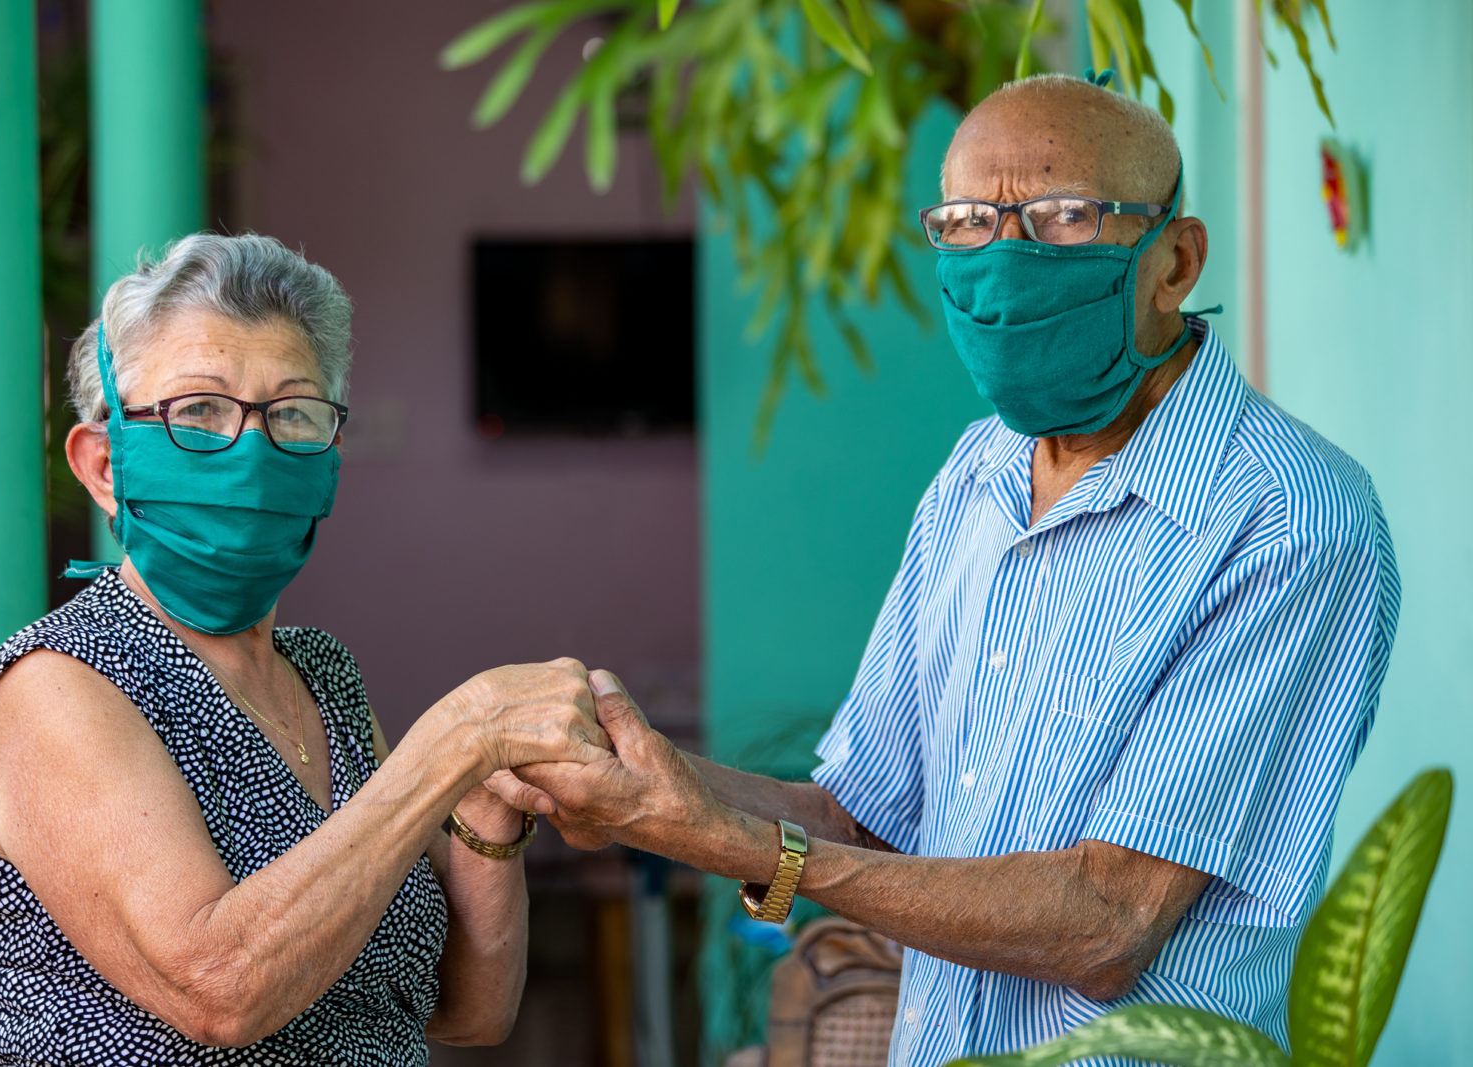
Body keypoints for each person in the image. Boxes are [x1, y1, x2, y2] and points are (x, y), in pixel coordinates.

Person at [500, 74, 1401, 1064]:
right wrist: (653, 787)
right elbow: (865, 818)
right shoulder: (974, 474)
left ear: (1174, 260)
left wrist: (735, 845)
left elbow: (1109, 921)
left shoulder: (1289, 520)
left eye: (1063, 216)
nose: (1006, 260)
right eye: (968, 221)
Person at [0, 233, 611, 1066]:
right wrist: (457, 739)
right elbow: (220, 989)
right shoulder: (55, 689)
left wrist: (485, 802)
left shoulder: (322, 675)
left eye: (291, 413)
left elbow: (466, 1010)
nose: (250, 452)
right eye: (199, 413)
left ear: (329, 454)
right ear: (106, 465)